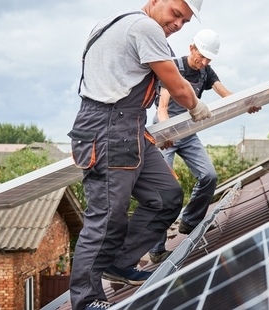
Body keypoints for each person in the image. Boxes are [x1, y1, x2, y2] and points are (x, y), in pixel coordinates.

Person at [67, 1, 211, 309]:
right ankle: (86, 300)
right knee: (106, 217)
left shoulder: (117, 24)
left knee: (166, 196)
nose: (178, 24)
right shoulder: (144, 27)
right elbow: (175, 81)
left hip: (130, 126)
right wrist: (196, 106)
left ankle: (118, 263)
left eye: (185, 21)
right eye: (176, 13)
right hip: (107, 127)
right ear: (156, 0)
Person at [148, 29, 260, 264]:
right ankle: (157, 249)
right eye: (202, 56)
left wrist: (246, 104)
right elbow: (163, 108)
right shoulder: (174, 67)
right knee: (164, 190)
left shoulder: (206, 71)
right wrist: (167, 132)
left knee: (209, 175)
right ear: (192, 48)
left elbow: (225, 94)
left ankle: (189, 221)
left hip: (188, 133)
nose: (205, 62)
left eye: (209, 59)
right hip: (166, 133)